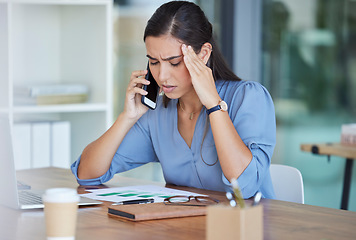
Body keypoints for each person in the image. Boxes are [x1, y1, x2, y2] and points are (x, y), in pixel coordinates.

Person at [71, 1, 276, 199]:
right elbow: (87, 174)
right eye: (154, 62)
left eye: (174, 62)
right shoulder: (158, 115)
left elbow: (244, 186)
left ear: (203, 54)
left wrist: (214, 105)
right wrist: (127, 117)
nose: (162, 76)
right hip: (188, 230)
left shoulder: (248, 98)